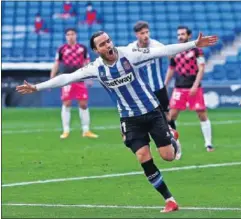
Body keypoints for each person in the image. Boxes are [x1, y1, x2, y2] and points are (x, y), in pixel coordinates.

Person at [16, 31, 218, 212]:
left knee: (168, 157)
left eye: (108, 41)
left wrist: (193, 44)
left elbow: (163, 51)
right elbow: (67, 77)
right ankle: (169, 200)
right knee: (142, 157)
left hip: (151, 111)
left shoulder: (129, 55)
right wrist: (37, 87)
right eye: (102, 44)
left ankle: (172, 138)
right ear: (96, 50)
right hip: (129, 118)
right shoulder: (95, 68)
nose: (108, 45)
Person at [128, 21, 181, 159]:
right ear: (136, 34)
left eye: (147, 32)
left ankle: (176, 143)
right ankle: (148, 145)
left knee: (168, 117)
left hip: (158, 88)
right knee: (145, 118)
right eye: (142, 33)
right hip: (143, 92)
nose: (145, 35)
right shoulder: (131, 48)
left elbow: (172, 56)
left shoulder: (157, 46)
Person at [165, 26, 214, 152]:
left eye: (182, 34)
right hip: (179, 88)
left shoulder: (197, 50)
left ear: (189, 36)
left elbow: (201, 68)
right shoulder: (175, 51)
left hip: (194, 88)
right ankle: (175, 142)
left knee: (202, 115)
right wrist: (164, 84)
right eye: (178, 34)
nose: (180, 37)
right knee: (171, 116)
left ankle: (208, 143)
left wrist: (195, 86)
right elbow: (171, 69)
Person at [50, 28, 98, 139]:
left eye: (72, 34)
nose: (70, 36)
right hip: (66, 79)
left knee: (83, 104)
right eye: (68, 34)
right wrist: (51, 78)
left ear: (76, 35)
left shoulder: (83, 48)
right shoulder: (61, 49)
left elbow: (87, 63)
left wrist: (89, 77)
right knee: (67, 103)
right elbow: (56, 63)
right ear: (66, 36)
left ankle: (86, 130)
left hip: (80, 78)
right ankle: (66, 130)